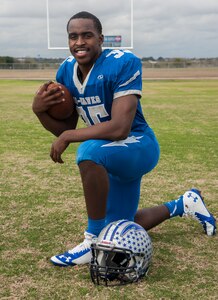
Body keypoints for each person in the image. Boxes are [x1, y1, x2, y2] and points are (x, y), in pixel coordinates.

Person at [32, 11, 216, 267]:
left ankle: (91, 240)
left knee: (88, 152)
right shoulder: (66, 70)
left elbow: (119, 128)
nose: (79, 42)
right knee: (117, 230)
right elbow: (65, 127)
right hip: (109, 151)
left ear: (101, 38)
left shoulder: (122, 62)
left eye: (87, 35)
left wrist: (69, 136)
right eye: (73, 37)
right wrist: (39, 111)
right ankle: (184, 203)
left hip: (137, 145)